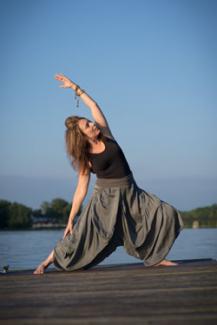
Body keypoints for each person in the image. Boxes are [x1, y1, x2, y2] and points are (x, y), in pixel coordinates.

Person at [33, 73, 184, 275]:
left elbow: (94, 106)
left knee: (166, 214)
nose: (92, 124)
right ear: (82, 137)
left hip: (131, 193)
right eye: (88, 126)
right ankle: (46, 261)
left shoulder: (107, 134)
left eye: (89, 122)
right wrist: (70, 218)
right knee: (79, 234)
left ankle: (155, 258)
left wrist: (75, 87)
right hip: (104, 199)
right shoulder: (85, 158)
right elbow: (81, 189)